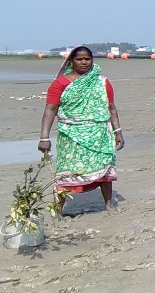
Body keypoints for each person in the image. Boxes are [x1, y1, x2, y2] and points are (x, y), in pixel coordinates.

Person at [39, 46, 124, 212]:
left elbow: (111, 108)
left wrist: (118, 132)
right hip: (70, 135)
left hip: (100, 134)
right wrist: (44, 138)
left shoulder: (101, 82)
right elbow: (50, 110)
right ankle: (58, 210)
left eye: (87, 59)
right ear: (71, 61)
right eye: (79, 59)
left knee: (104, 170)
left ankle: (108, 204)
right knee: (67, 172)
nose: (84, 62)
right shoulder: (60, 83)